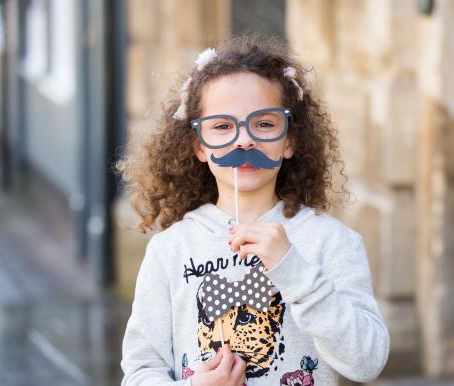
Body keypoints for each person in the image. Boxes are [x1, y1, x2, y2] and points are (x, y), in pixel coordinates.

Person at [118, 36, 389, 386]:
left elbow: (367, 361)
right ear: (199, 147)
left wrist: (294, 271)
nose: (244, 141)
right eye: (222, 126)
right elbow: (140, 373)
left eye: (263, 124)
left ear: (289, 140)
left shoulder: (331, 242)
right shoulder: (170, 250)